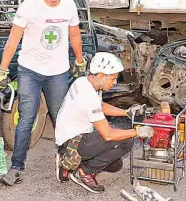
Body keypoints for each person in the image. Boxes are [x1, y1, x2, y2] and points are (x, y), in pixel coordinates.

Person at [0, 0, 87, 186]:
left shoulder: (69, 6)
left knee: (61, 118)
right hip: (30, 70)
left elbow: (74, 36)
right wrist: (2, 69)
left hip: (58, 72)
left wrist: (80, 61)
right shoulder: (29, 6)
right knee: (26, 118)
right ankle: (16, 167)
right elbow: (13, 40)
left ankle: (67, 161)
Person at [54, 52, 154, 194]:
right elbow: (108, 135)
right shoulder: (88, 95)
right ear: (101, 76)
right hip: (73, 142)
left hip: (70, 138)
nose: (115, 83)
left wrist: (126, 112)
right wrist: (138, 132)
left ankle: (69, 163)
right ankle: (84, 173)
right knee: (127, 141)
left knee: (115, 165)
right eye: (113, 78)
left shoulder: (84, 82)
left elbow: (101, 106)